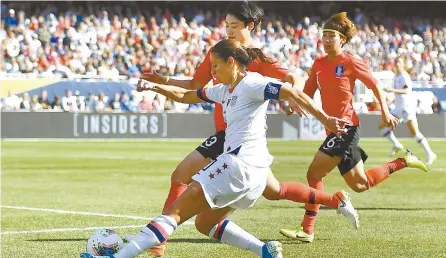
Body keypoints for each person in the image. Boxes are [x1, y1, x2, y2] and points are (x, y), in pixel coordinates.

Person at [81, 39, 358, 258]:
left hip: (239, 165)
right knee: (204, 224)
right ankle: (264, 250)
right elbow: (187, 95)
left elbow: (293, 91)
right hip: (255, 175)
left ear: (232, 62)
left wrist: (326, 120)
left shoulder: (252, 83)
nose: (211, 71)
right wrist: (155, 86)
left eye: (215, 65)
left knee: (175, 213)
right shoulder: (224, 89)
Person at [139, 2, 304, 255]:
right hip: (224, 137)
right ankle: (327, 204)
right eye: (226, 25)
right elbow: (194, 85)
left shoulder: (258, 58)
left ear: (250, 26)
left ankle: (158, 242)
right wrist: (164, 81)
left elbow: (293, 78)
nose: (228, 30)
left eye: (234, 26)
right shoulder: (217, 52)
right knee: (270, 191)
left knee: (272, 191)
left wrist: (293, 98)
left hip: (240, 140)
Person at [279, 12, 429, 244]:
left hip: (346, 128)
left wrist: (385, 111)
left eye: (332, 36)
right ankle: (403, 161)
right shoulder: (318, 65)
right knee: (361, 184)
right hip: (334, 130)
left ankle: (308, 229)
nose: (327, 40)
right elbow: (307, 93)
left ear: (343, 40)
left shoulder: (350, 61)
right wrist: (291, 106)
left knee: (313, 174)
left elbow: (375, 85)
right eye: (324, 35)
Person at [379, 57, 437, 164]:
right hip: (398, 108)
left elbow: (407, 90)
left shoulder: (404, 76)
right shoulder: (396, 77)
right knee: (382, 126)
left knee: (414, 132)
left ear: (403, 64)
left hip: (406, 108)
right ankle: (396, 145)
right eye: (396, 61)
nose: (397, 63)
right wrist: (390, 98)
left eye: (399, 62)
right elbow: (398, 93)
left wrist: (391, 90)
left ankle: (430, 153)